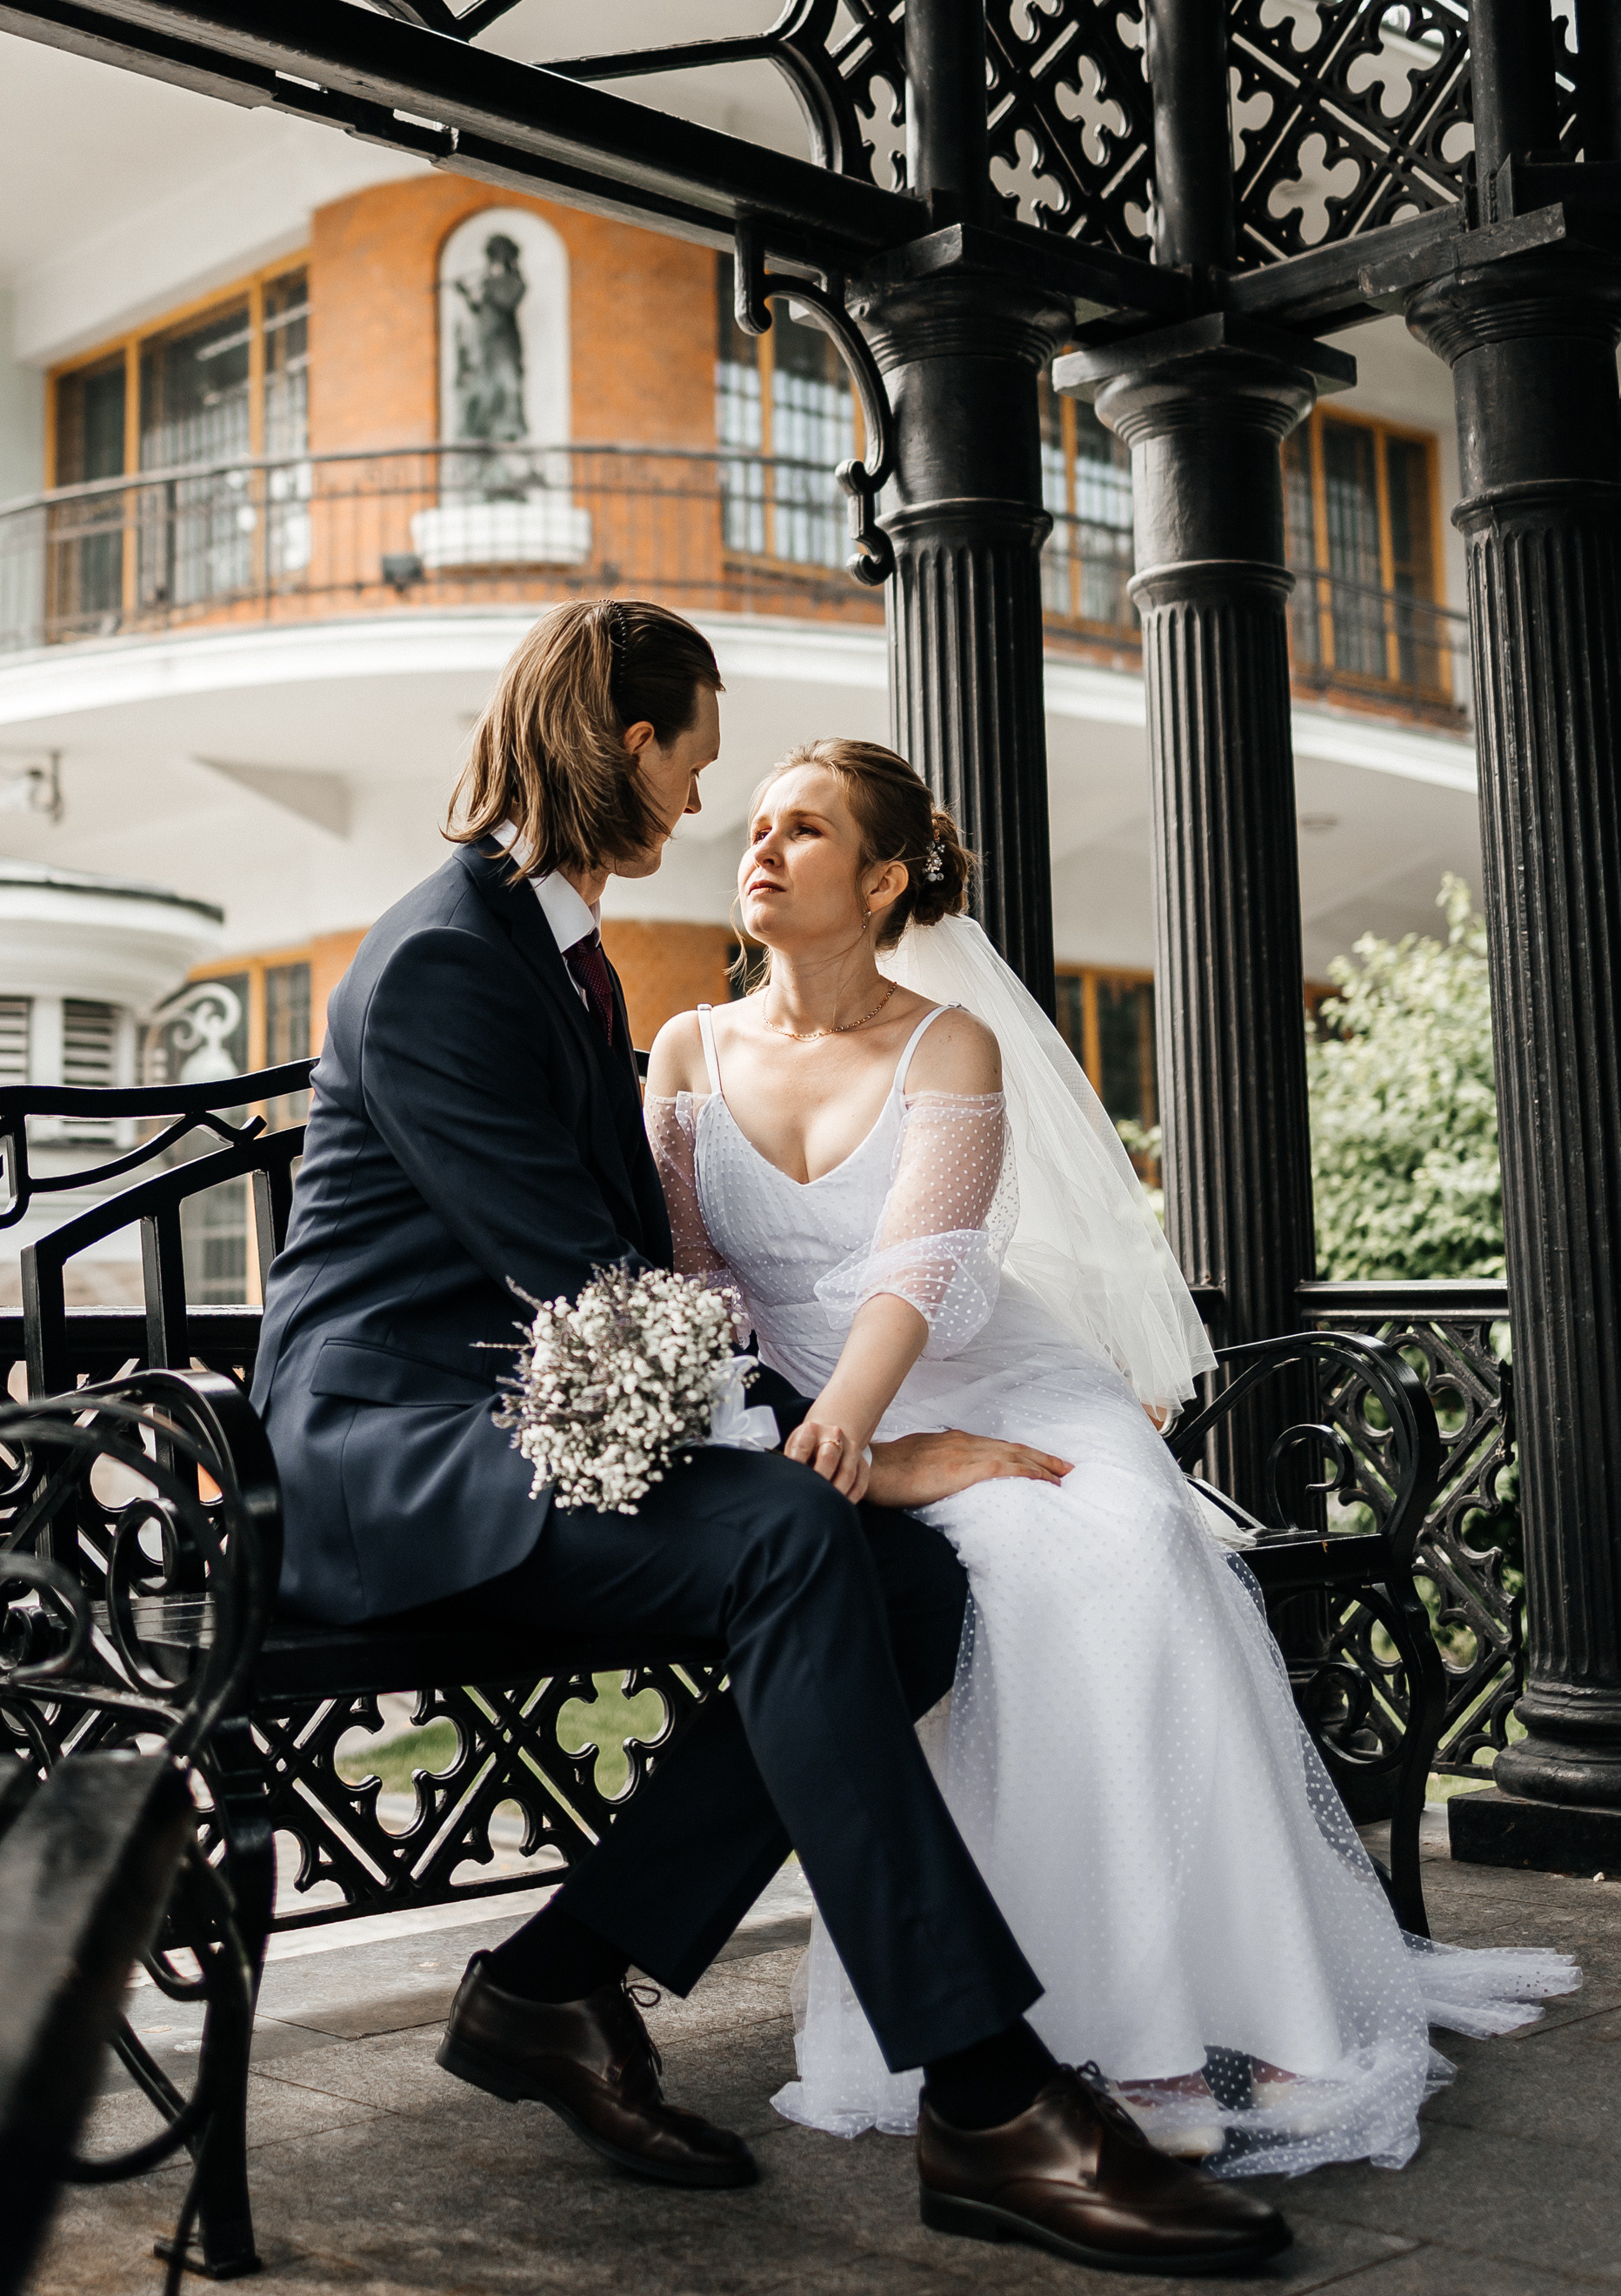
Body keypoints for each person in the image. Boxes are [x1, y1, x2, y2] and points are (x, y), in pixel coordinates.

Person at [253, 601, 1291, 2276]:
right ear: (628, 742)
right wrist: (847, 1453)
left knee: (898, 1590)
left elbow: (640, 1290)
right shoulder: (451, 954)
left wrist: (853, 1453)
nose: (695, 805)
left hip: (535, 1420)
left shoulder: (551, 946)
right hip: (396, 1455)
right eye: (693, 763)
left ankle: (552, 1980)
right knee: (813, 1536)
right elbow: (590, 1289)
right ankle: (992, 2098)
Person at [645, 738, 1578, 2179]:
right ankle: (1070, 2034)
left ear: (884, 879)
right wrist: (843, 1450)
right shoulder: (687, 1053)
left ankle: (1232, 2018)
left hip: (996, 1380)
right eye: (755, 825)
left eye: (804, 830)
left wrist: (878, 1431)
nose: (757, 848)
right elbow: (699, 1290)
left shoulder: (946, 1040)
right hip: (834, 1422)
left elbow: (928, 1271)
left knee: (1120, 1552)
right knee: (993, 1591)